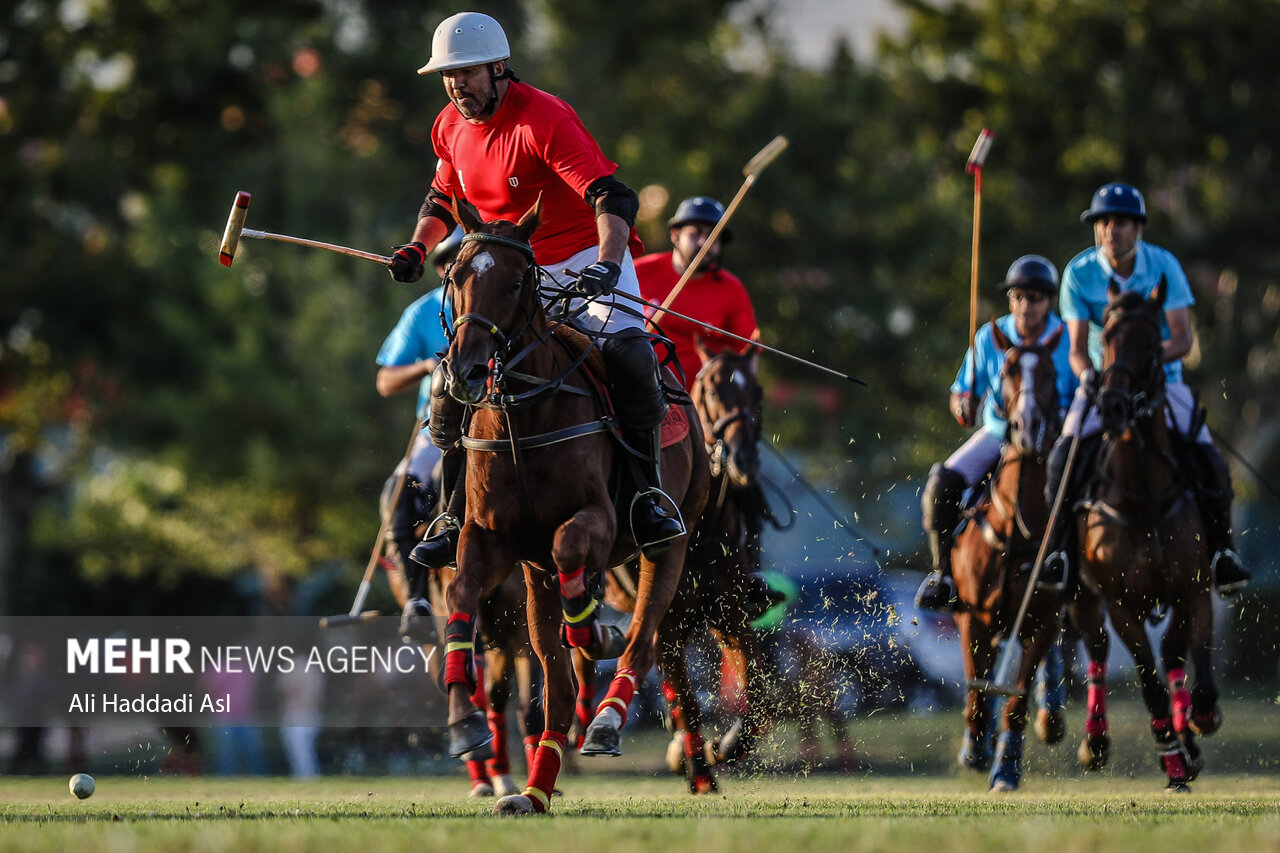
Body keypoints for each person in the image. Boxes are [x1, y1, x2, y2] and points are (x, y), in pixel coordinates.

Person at [388, 11, 684, 569]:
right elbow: (441, 201)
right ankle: (455, 513)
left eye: (468, 74)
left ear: (499, 68)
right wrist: (416, 248)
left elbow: (612, 197)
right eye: (449, 77)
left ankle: (648, 497)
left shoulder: (543, 119)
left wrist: (606, 262)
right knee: (460, 371)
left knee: (627, 352)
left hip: (585, 257)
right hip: (510, 271)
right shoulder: (448, 126)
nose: (457, 87)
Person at [1040, 182, 1250, 596]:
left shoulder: (1164, 264)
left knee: (1209, 456)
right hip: (1104, 385)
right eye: (1102, 222)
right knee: (1062, 454)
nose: (1110, 230)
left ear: (1138, 229)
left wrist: (1144, 366)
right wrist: (1090, 378)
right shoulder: (1078, 274)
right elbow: (1078, 350)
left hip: (1161, 381)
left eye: (1120, 222)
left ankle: (1223, 554)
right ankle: (1059, 553)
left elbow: (1183, 340)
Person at [915, 255, 1077, 612]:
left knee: (1083, 488)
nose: (1025, 305)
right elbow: (962, 390)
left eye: (1034, 297)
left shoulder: (1067, 336)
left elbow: (1082, 389)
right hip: (999, 433)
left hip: (1052, 438)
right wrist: (962, 406)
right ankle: (942, 574)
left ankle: (1071, 565)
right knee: (941, 483)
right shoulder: (989, 335)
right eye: (1017, 297)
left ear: (1049, 300)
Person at [375, 228, 461, 641]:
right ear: (442, 268)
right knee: (398, 490)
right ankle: (417, 600)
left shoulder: (507, 304)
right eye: (456, 261)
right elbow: (386, 381)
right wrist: (426, 367)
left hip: (506, 428)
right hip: (440, 432)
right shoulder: (422, 313)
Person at [634, 196, 761, 392]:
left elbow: (749, 354)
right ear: (675, 235)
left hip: (701, 408)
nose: (704, 242)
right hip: (638, 393)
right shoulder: (639, 272)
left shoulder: (732, 289)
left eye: (713, 237)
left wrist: (745, 398)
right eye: (696, 233)